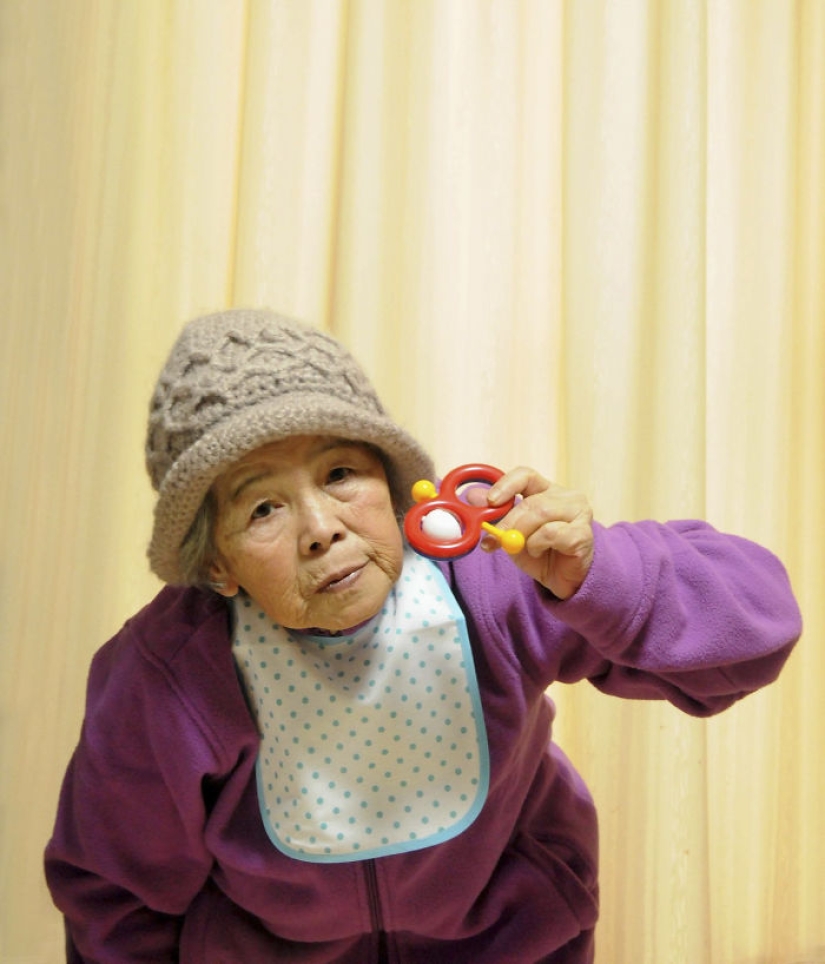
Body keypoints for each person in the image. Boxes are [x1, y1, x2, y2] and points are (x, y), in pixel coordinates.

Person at [45, 308, 801, 964]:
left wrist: (597, 573)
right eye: (263, 510)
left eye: (340, 473)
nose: (321, 528)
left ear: (392, 478)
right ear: (216, 566)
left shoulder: (492, 577)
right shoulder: (169, 674)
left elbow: (758, 632)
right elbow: (115, 898)